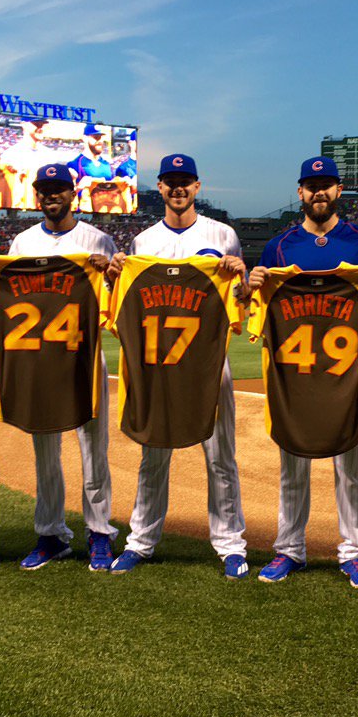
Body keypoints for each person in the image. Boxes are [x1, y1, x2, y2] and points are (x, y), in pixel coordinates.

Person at [104, 154, 249, 579]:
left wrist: (240, 277)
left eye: (185, 181)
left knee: (221, 456)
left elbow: (238, 301)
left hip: (207, 363)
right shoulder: (143, 243)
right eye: (170, 182)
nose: (178, 188)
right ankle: (140, 542)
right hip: (157, 365)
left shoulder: (223, 235)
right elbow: (125, 302)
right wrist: (116, 276)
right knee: (153, 455)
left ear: (197, 187)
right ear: (161, 187)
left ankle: (231, 546)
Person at [248, 156, 358, 588]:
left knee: (351, 467)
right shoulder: (279, 246)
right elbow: (258, 307)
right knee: (293, 465)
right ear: (300, 193)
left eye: (326, 185)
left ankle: (354, 552)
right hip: (293, 373)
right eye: (312, 186)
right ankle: (289, 549)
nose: (319, 192)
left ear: (339, 190)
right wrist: (253, 282)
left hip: (346, 373)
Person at [4, 164, 118, 571]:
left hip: (84, 357)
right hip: (39, 358)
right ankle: (50, 534)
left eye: (58, 189)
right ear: (37, 195)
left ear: (73, 193)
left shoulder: (97, 238)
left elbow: (114, 300)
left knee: (94, 449)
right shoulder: (21, 242)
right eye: (44, 189)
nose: (51, 195)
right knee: (44, 452)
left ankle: (99, 531)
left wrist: (111, 274)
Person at [0, 118, 52, 209]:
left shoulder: (49, 155)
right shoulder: (10, 154)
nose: (40, 128)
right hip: (20, 208)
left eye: (42, 124)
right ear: (24, 124)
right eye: (36, 124)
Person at [67, 124, 114, 212]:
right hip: (83, 213)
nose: (100, 141)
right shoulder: (74, 164)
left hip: (106, 211)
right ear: (85, 138)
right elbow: (65, 197)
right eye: (96, 137)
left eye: (101, 137)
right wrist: (79, 187)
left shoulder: (107, 165)